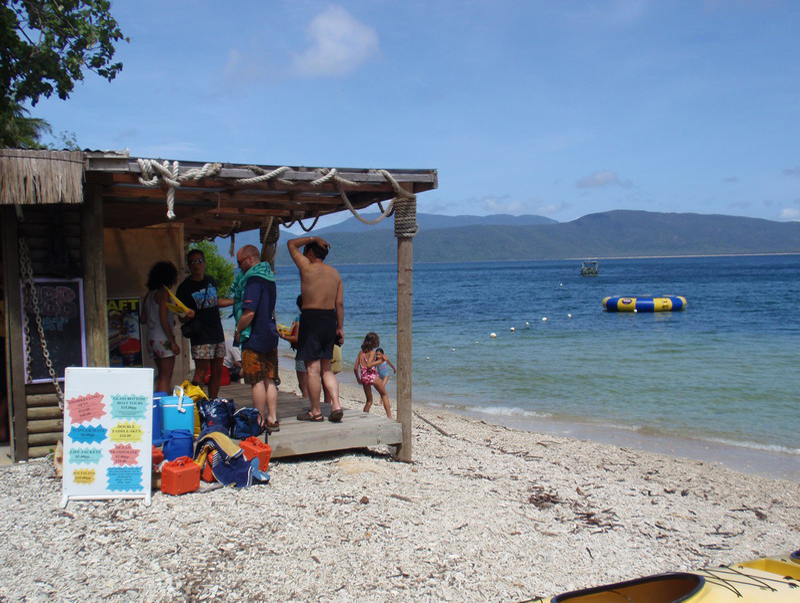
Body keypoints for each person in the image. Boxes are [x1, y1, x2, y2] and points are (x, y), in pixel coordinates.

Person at [287, 235, 344, 423]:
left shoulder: (306, 267)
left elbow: (291, 243)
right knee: (326, 368)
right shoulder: (335, 274)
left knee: (312, 368)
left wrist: (314, 237)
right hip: (330, 319)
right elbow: (339, 303)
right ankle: (336, 405)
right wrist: (340, 328)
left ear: (310, 252)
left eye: (306, 252)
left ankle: (316, 412)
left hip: (311, 317)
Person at [232, 244, 279, 431]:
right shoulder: (270, 277)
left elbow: (249, 313)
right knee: (270, 379)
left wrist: (238, 329)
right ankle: (273, 418)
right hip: (270, 333)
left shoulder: (253, 280)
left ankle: (259, 419)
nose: (239, 267)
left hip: (254, 336)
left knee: (256, 381)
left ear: (250, 259)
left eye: (240, 262)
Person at [176, 248, 232, 399]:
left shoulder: (210, 281)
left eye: (199, 261)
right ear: (188, 265)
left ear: (204, 263)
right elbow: (180, 316)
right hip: (200, 334)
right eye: (192, 262)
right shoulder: (184, 288)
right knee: (201, 370)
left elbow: (216, 301)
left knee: (218, 370)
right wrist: (187, 316)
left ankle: (212, 402)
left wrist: (236, 301)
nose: (196, 265)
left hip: (217, 332)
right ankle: (195, 403)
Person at [141, 261, 189, 393]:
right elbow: (163, 319)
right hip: (163, 338)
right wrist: (172, 342)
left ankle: (150, 398)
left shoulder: (149, 294)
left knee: (161, 375)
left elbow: (143, 319)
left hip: (151, 339)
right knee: (166, 377)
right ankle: (163, 408)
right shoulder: (164, 293)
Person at [278, 294, 309, 399]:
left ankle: (309, 408)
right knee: (312, 384)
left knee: (303, 386)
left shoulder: (299, 319)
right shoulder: (315, 319)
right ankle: (316, 407)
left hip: (302, 353)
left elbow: (296, 338)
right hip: (315, 353)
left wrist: (283, 336)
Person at [355, 332, 392, 418]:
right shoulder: (372, 352)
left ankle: (364, 418)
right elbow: (369, 365)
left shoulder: (360, 353)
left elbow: (355, 368)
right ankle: (389, 417)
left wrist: (358, 379)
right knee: (384, 394)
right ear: (373, 342)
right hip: (372, 376)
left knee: (369, 401)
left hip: (364, 377)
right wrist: (381, 361)